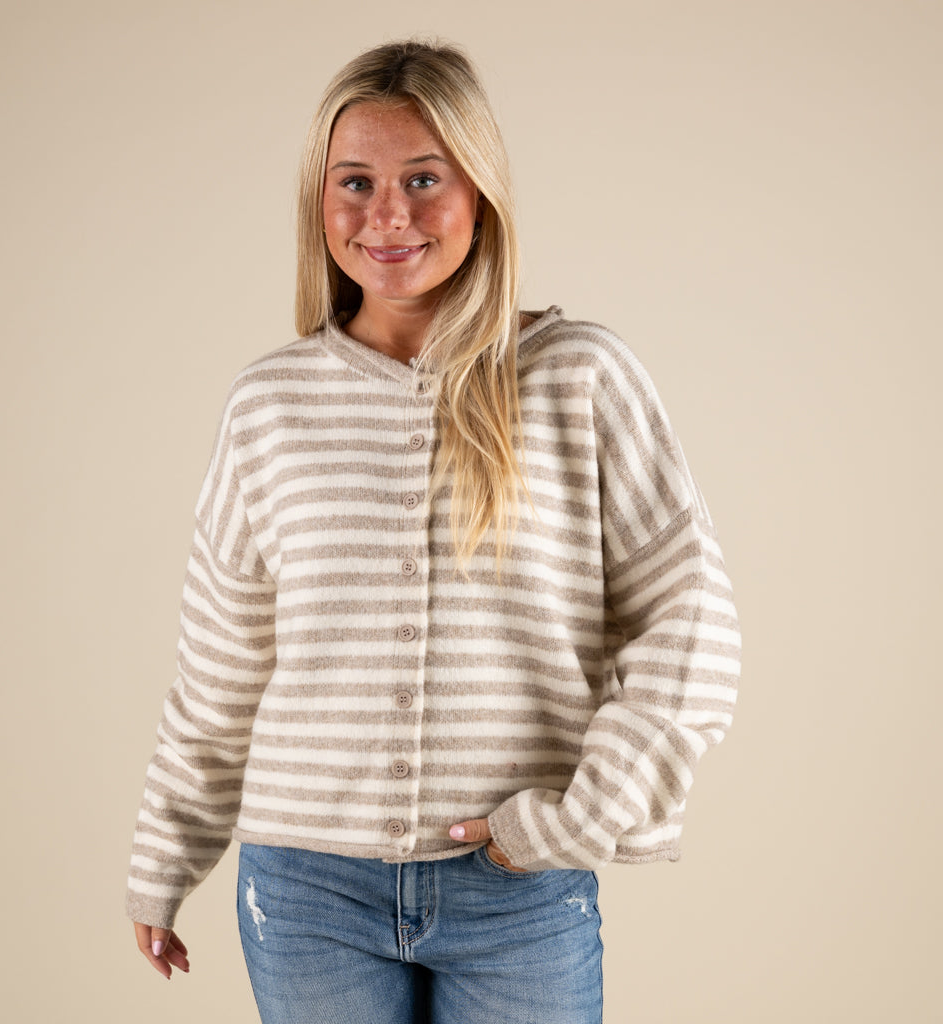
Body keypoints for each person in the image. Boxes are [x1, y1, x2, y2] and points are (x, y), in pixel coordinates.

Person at [126, 38, 740, 1023]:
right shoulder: (267, 407)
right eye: (355, 182)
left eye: (424, 178)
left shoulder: (580, 378)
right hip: (305, 890)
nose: (388, 215)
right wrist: (165, 855)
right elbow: (219, 669)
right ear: (318, 202)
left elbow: (690, 622)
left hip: (518, 887)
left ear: (481, 194)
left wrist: (582, 816)